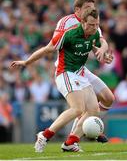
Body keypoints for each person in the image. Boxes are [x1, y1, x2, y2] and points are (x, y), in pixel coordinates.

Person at [10, 8, 103, 152]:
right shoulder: (69, 34)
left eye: (97, 24)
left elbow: (100, 45)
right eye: (91, 24)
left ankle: (71, 142)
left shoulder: (94, 33)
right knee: (78, 108)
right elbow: (46, 49)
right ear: (83, 22)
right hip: (65, 73)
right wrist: (26, 62)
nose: (95, 27)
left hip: (80, 73)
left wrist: (104, 53)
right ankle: (44, 135)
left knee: (93, 110)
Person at [53, 0, 115, 143]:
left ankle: (91, 123)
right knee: (79, 108)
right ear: (78, 10)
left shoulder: (93, 22)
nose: (91, 10)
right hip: (68, 69)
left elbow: (95, 43)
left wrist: (102, 54)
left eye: (93, 7)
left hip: (82, 68)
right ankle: (78, 133)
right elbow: (56, 45)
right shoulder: (66, 22)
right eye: (88, 7)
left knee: (109, 98)